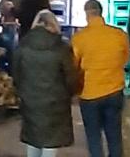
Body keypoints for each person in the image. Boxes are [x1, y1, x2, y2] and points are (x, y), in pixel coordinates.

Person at [12, 10, 78, 157]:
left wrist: (22, 92)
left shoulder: (23, 45)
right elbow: (71, 77)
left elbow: (16, 74)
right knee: (50, 142)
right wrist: (70, 93)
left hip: (30, 101)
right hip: (56, 103)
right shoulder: (61, 47)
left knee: (33, 139)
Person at [72, 0, 129, 157]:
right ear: (101, 12)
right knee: (114, 136)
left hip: (89, 93)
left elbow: (74, 65)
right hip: (114, 91)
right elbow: (126, 59)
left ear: (86, 14)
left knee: (93, 137)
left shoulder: (79, 38)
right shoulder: (119, 34)